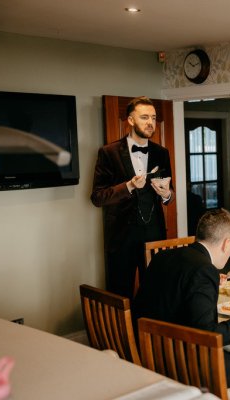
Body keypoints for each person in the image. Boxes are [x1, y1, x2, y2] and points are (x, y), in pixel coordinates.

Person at [133, 208, 230, 399]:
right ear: (226, 244)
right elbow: (207, 334)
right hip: (181, 363)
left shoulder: (162, 257)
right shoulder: (203, 270)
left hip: (149, 352)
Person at [91, 96, 173, 299]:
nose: (150, 123)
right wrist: (128, 186)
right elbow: (97, 197)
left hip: (154, 235)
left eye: (153, 118)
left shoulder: (162, 153)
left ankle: (148, 331)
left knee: (155, 293)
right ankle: (121, 332)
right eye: (144, 117)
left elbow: (169, 193)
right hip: (121, 238)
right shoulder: (108, 152)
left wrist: (167, 194)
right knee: (120, 294)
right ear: (130, 120)